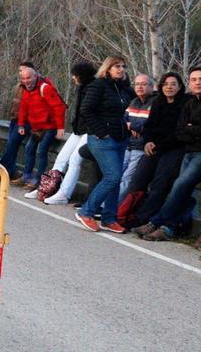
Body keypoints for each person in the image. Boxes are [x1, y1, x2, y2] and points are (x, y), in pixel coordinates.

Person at [132, 67, 201, 242]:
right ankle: (169, 228)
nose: (198, 82)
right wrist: (191, 130)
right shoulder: (190, 103)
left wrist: (191, 129)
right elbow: (180, 131)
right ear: (189, 83)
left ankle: (155, 222)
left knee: (180, 185)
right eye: (194, 79)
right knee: (184, 191)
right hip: (189, 151)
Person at [119, 72, 187, 229]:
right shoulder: (158, 102)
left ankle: (143, 219)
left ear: (180, 86)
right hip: (153, 147)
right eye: (166, 84)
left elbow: (180, 132)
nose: (169, 87)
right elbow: (149, 126)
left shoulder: (185, 103)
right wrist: (148, 141)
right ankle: (125, 213)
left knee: (159, 184)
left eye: (173, 84)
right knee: (138, 179)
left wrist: (157, 145)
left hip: (173, 149)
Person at [74, 57, 132, 233]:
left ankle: (109, 218)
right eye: (117, 66)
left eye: (123, 66)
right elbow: (86, 110)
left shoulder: (123, 89)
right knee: (112, 176)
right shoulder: (98, 85)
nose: (121, 69)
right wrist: (101, 132)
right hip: (102, 139)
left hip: (120, 139)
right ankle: (87, 211)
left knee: (115, 180)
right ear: (107, 68)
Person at [27, 60, 95, 203]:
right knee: (61, 158)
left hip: (89, 130)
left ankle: (64, 194)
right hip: (78, 129)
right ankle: (45, 188)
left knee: (75, 160)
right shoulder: (81, 88)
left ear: (81, 75)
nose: (73, 78)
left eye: (75, 75)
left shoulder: (93, 88)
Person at [15, 65, 67, 190]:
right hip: (36, 127)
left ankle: (39, 179)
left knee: (41, 151)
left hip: (49, 126)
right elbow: (23, 108)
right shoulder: (26, 90)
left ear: (35, 76)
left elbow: (59, 107)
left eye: (29, 78)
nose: (26, 81)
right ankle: (27, 176)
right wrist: (21, 124)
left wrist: (60, 127)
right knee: (28, 149)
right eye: (23, 79)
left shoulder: (46, 88)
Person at [0, 62, 37, 179]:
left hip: (25, 121)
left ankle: (0, 169)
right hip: (15, 119)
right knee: (11, 146)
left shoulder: (33, 86)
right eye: (20, 71)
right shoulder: (19, 86)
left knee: (12, 145)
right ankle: (9, 170)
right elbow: (15, 104)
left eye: (23, 70)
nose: (21, 73)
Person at [119, 73, 155, 200]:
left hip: (141, 148)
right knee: (115, 175)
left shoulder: (156, 103)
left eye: (144, 84)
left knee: (127, 178)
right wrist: (129, 124)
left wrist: (133, 125)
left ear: (152, 87)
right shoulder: (133, 102)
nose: (140, 87)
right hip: (128, 145)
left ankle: (112, 208)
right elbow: (122, 120)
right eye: (137, 84)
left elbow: (151, 125)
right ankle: (103, 204)